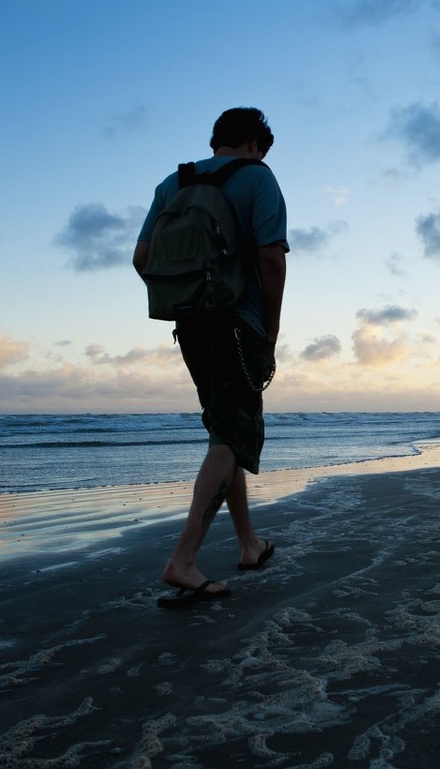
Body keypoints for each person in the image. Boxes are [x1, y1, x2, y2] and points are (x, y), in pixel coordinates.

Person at [132, 107, 289, 608]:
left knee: (226, 429)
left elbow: (141, 258)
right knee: (233, 432)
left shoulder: (172, 184)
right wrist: (271, 323)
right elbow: (270, 256)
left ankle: (249, 545)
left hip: (190, 324)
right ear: (255, 144)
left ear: (216, 140)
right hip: (240, 323)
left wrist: (187, 297)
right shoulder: (258, 179)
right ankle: (182, 561)